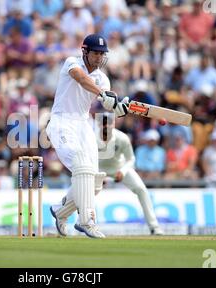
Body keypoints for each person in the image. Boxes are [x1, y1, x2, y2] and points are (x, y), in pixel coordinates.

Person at [46, 33, 128, 238]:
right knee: (81, 166)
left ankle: (60, 211)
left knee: (94, 180)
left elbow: (107, 107)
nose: (99, 57)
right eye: (96, 53)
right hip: (62, 121)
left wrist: (118, 108)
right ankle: (86, 221)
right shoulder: (72, 63)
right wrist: (103, 94)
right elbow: (82, 79)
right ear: (85, 51)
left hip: (84, 125)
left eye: (102, 54)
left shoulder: (103, 79)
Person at [98, 114, 163, 235]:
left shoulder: (122, 138)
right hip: (98, 168)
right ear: (99, 124)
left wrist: (122, 171)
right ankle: (78, 222)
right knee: (83, 190)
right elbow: (87, 160)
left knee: (141, 189)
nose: (106, 126)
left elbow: (131, 159)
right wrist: (99, 176)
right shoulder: (91, 137)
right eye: (103, 123)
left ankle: (154, 227)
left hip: (119, 167)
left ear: (114, 124)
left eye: (109, 123)